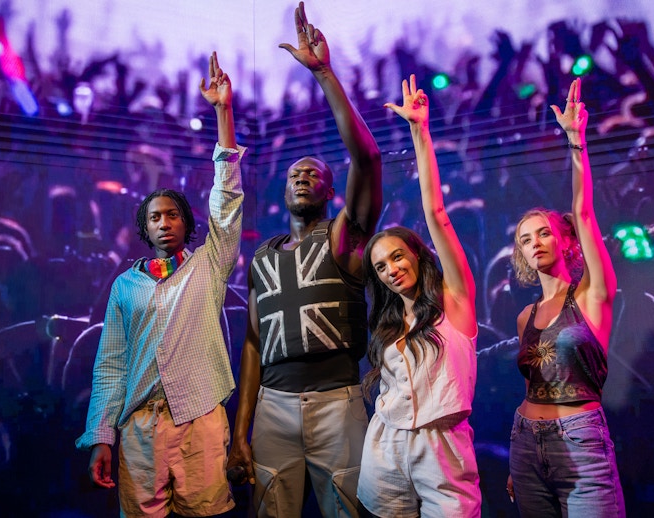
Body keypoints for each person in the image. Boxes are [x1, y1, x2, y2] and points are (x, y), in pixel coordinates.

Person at [227, 2, 382, 516]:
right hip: (271, 407)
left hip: (337, 403)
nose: (301, 176)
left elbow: (368, 158)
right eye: (295, 172)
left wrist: (324, 74)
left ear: (332, 191)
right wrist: (239, 432)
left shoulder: (343, 239)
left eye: (314, 173)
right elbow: (252, 343)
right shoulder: (264, 256)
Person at [75, 52, 245, 518]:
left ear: (186, 223)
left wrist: (222, 113)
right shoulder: (125, 287)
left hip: (200, 421)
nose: (164, 223)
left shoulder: (208, 267)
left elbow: (226, 205)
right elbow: (110, 366)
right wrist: (102, 438)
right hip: (140, 431)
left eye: (172, 215)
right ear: (144, 229)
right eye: (155, 217)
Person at [357, 75, 481, 517]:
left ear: (416, 253)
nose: (391, 269)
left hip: (443, 451)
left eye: (397, 257)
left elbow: (437, 214)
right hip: (386, 446)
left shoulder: (455, 303)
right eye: (381, 267)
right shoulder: (389, 323)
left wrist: (419, 131)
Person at [505, 78, 625, 517]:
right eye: (524, 239)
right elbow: (532, 381)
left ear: (564, 241)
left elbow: (586, 210)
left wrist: (576, 141)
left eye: (543, 233)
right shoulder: (525, 316)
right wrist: (520, 460)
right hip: (525, 440)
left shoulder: (592, 294)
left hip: (580, 438)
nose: (534, 242)